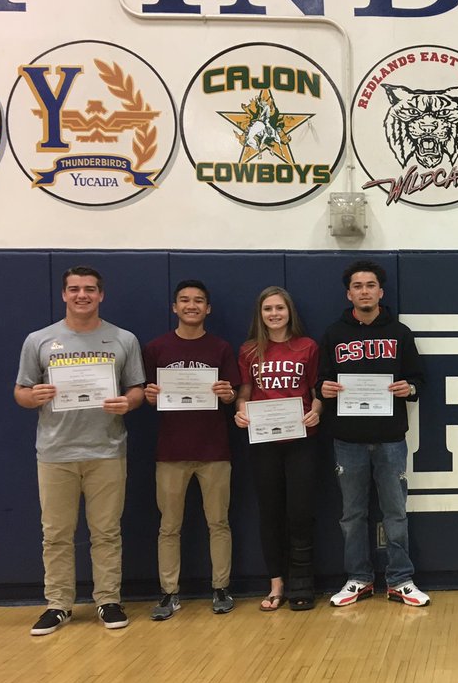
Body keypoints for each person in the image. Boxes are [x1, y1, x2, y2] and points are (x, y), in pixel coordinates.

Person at [14, 266, 145, 635]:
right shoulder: (39, 340)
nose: (82, 295)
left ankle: (108, 600)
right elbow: (21, 391)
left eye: (89, 289)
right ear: (64, 294)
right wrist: (32, 396)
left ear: (101, 295)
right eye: (74, 289)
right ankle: (58, 604)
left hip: (107, 450)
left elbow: (137, 388)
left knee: (106, 531)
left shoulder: (123, 339)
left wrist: (128, 402)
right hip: (55, 452)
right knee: (56, 534)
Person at [319, 260, 429, 608]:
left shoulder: (400, 333)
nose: (364, 291)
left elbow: (419, 379)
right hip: (347, 440)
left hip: (390, 438)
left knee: (395, 512)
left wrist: (409, 388)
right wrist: (324, 389)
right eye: (357, 286)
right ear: (348, 294)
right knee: (352, 515)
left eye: (370, 285)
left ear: (380, 292)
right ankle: (359, 578)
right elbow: (319, 381)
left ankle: (400, 579)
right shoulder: (333, 334)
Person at [142, 280, 241, 620]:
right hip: (171, 452)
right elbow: (147, 394)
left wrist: (227, 394)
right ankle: (169, 592)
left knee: (219, 523)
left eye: (199, 300)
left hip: (215, 450)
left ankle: (221, 587)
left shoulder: (221, 348)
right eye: (184, 300)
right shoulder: (156, 348)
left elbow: (232, 395)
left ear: (208, 308)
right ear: (174, 307)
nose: (191, 305)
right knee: (169, 526)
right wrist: (150, 396)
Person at [234, 286, 322, 611]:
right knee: (270, 512)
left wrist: (317, 411)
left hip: (301, 440)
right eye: (268, 309)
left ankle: (302, 582)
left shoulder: (308, 346)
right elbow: (244, 393)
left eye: (279, 308)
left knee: (300, 512)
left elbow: (316, 392)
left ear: (289, 312)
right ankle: (276, 583)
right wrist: (240, 411)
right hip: (264, 442)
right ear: (260, 314)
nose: (274, 314)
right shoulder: (249, 350)